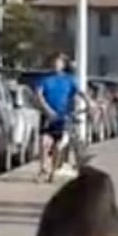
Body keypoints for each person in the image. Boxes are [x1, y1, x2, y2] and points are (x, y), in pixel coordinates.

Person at [34, 53, 79, 182]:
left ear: (63, 65)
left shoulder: (69, 80)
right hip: (48, 116)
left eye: (58, 62)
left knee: (57, 146)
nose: (56, 65)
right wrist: (46, 109)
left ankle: (52, 171)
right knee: (44, 142)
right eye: (54, 62)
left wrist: (87, 104)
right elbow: (38, 94)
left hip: (62, 116)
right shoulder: (45, 79)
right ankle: (43, 169)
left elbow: (78, 94)